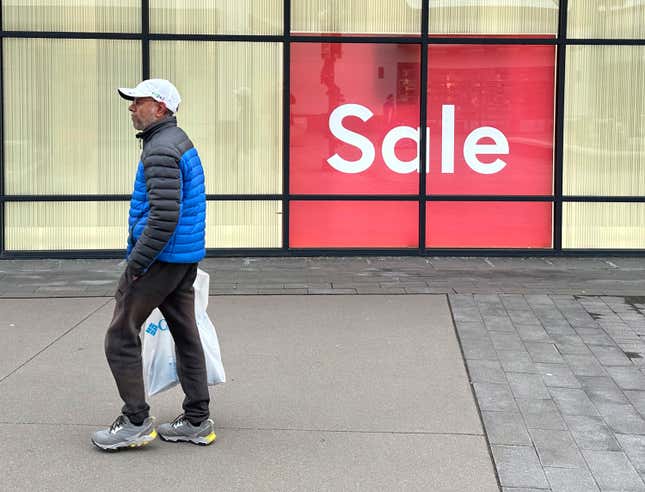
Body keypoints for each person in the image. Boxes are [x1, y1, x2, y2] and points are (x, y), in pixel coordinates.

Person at [91, 79, 215, 451]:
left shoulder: (160, 149)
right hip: (181, 258)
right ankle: (197, 420)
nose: (131, 108)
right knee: (186, 335)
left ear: (160, 108)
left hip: (160, 259)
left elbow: (164, 217)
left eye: (138, 102)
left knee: (119, 336)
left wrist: (135, 265)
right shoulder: (176, 141)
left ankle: (135, 421)